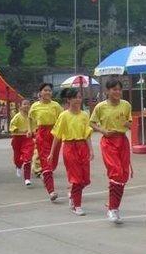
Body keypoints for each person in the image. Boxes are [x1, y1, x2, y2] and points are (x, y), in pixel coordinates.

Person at [90, 79, 133, 224]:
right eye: (114, 89)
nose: (117, 92)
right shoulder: (100, 107)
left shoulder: (126, 105)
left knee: (123, 175)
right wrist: (102, 130)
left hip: (123, 140)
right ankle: (113, 209)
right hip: (108, 141)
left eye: (119, 89)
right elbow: (92, 122)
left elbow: (130, 122)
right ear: (107, 91)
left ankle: (113, 204)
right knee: (116, 172)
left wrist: (128, 124)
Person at [49, 88, 93, 216]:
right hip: (69, 147)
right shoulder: (64, 115)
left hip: (83, 147)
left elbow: (87, 134)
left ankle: (73, 193)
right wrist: (52, 153)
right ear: (68, 100)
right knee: (76, 178)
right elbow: (57, 135)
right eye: (75, 97)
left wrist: (91, 150)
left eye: (80, 97)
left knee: (85, 180)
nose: (78, 100)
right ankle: (76, 205)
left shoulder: (84, 115)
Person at [28, 83, 63, 201]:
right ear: (40, 92)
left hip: (55, 133)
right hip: (42, 135)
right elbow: (30, 118)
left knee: (53, 162)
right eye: (45, 90)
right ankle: (51, 191)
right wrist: (30, 130)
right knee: (46, 161)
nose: (47, 92)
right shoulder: (35, 106)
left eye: (49, 90)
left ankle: (45, 175)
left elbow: (62, 119)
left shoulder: (56, 106)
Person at [9, 99, 35, 186]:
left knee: (28, 157)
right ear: (20, 106)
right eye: (24, 104)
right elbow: (12, 126)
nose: (26, 106)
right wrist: (18, 130)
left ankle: (27, 178)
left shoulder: (31, 117)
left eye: (28, 104)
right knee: (17, 157)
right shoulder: (17, 116)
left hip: (27, 139)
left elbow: (35, 127)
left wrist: (32, 132)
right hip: (17, 138)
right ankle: (18, 166)